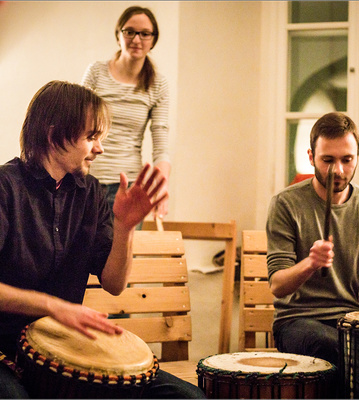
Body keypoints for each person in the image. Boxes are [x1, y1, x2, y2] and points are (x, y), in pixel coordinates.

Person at [0, 81, 205, 399]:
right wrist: (55, 308)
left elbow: (114, 284)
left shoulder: (91, 193)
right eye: (92, 137)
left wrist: (126, 226)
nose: (100, 148)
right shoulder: (5, 188)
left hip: (68, 348)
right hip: (4, 350)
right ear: (55, 135)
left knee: (187, 397)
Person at [266, 112, 359, 368]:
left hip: (350, 319)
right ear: (311, 157)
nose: (339, 170)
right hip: (296, 321)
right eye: (328, 160)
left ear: (357, 156)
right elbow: (277, 286)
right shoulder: (285, 204)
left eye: (347, 159)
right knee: (336, 347)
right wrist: (311, 263)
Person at [81, 5, 170, 223]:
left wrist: (161, 189)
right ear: (118, 35)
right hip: (86, 180)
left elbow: (161, 144)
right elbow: (76, 124)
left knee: (121, 255)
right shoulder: (96, 72)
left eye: (145, 34)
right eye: (129, 31)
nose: (136, 40)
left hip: (127, 187)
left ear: (153, 39)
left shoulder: (157, 84)